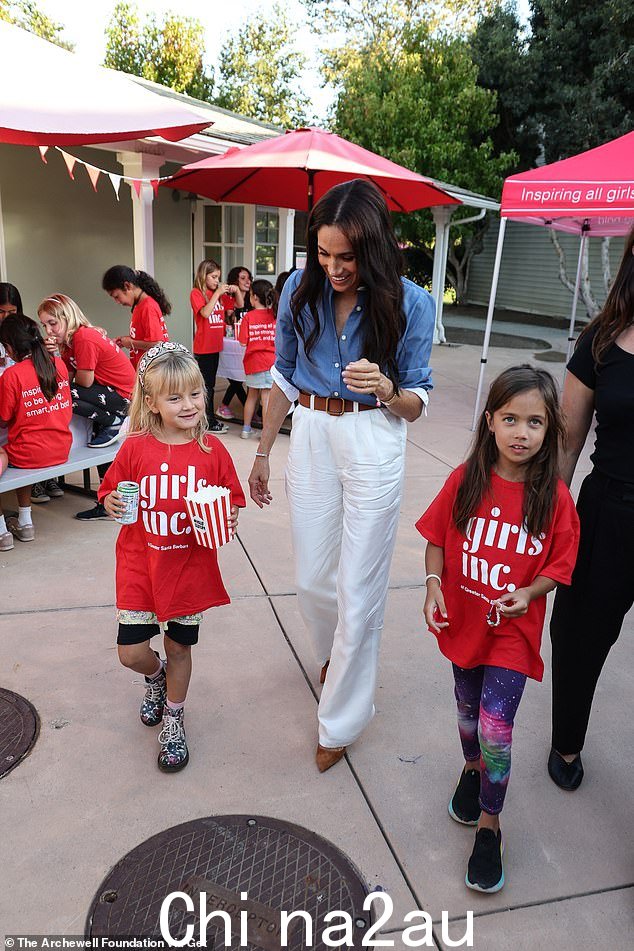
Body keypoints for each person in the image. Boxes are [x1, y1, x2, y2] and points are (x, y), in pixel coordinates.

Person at [248, 179, 434, 772]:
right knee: (311, 578)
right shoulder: (300, 298)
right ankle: (333, 655)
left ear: (373, 249)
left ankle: (341, 720)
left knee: (360, 586)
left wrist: (387, 388)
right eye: (324, 254)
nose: (333, 268)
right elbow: (281, 375)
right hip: (312, 430)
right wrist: (261, 451)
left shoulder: (411, 303)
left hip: (374, 436)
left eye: (346, 257)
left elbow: (417, 401)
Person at [416, 365, 580, 893]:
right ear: (490, 422)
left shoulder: (553, 497)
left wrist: (530, 593)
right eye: (510, 419)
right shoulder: (465, 481)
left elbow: (559, 566)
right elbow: (436, 538)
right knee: (467, 715)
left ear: (549, 429)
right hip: (464, 622)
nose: (521, 432)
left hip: (512, 632)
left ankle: (490, 826)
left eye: (534, 423)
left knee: (494, 728)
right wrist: (433, 584)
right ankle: (470, 770)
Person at [100, 342, 246, 772]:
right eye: (175, 397)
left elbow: (231, 501)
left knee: (179, 647)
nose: (189, 405)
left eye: (196, 394)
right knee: (130, 652)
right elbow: (111, 491)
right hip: (139, 565)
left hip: (188, 569)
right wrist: (110, 502)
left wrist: (227, 518)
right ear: (151, 403)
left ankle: (174, 718)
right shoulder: (134, 448)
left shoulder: (212, 451)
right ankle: (154, 677)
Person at [548, 225, 634, 792]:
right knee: (580, 636)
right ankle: (567, 742)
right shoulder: (602, 338)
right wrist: (545, 521)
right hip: (608, 513)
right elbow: (567, 443)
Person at [0, 315, 72, 550]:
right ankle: (25, 521)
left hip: (30, 455)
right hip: (61, 449)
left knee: (9, 452)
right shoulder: (57, 364)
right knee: (24, 446)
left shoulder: (12, 375)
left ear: (11, 347)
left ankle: (2, 530)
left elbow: (3, 420)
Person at [38, 294, 136, 448]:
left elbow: (85, 382)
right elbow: (66, 379)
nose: (49, 330)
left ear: (67, 318)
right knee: (61, 392)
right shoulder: (67, 344)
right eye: (44, 325)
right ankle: (110, 422)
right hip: (110, 393)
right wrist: (51, 355)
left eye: (53, 323)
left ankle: (114, 422)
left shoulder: (83, 337)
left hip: (127, 397)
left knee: (62, 393)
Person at [189, 259, 237, 434]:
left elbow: (236, 305)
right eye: (213, 276)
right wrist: (217, 293)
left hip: (216, 346)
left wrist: (236, 290)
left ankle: (208, 419)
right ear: (204, 276)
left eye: (218, 277)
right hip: (204, 348)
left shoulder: (216, 293)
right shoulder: (197, 293)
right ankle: (207, 421)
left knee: (211, 385)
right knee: (206, 386)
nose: (217, 280)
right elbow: (205, 313)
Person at [102, 265, 170, 371]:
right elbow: (145, 337)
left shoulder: (148, 306)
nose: (117, 302)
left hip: (153, 372)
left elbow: (157, 344)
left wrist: (131, 343)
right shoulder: (139, 306)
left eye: (116, 296)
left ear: (127, 286)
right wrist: (126, 340)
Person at [238, 279, 277, 438]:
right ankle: (265, 433)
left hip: (253, 363)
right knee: (266, 397)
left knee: (252, 396)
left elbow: (242, 342)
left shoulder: (248, 317)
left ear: (254, 297)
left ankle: (246, 430)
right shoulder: (274, 315)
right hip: (270, 362)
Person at [216, 266, 252, 420]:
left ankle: (249, 409)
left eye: (248, 278)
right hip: (229, 342)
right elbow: (229, 320)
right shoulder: (227, 298)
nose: (247, 281)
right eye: (243, 278)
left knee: (246, 375)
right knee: (235, 376)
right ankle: (242, 407)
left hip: (246, 343)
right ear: (234, 281)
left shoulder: (253, 298)